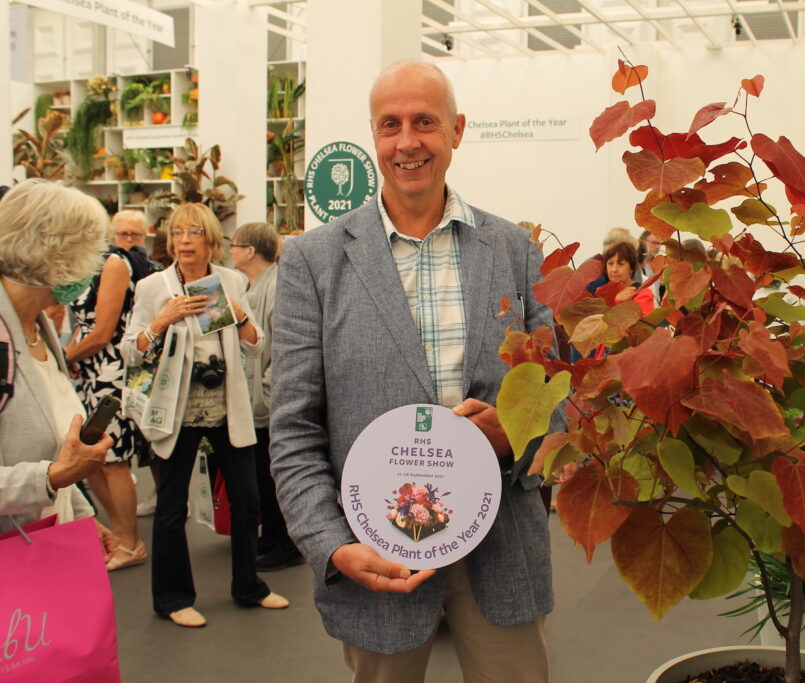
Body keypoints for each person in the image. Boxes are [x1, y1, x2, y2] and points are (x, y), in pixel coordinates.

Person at [270, 61, 564, 682]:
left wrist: (516, 430)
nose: (408, 141)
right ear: (374, 138)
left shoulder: (514, 249)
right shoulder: (313, 261)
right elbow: (294, 429)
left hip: (502, 548)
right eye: (391, 125)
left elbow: (560, 395)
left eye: (425, 122)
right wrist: (330, 543)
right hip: (376, 554)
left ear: (457, 130)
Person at [120, 203, 288, 628]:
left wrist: (238, 313)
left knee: (249, 502)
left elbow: (254, 345)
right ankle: (172, 598)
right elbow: (130, 349)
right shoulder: (154, 285)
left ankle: (248, 586)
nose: (185, 240)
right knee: (171, 507)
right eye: (177, 233)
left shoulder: (231, 280)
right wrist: (162, 320)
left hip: (227, 407)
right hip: (177, 410)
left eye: (194, 232)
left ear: (210, 238)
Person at [0, 179, 116, 553]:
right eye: (91, 251)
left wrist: (79, 517)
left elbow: (50, 454)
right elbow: (50, 470)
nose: (96, 266)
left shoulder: (38, 327)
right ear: (60, 255)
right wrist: (53, 477)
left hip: (41, 546)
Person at [65, 210, 153, 571]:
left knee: (112, 458)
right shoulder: (90, 263)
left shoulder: (115, 264)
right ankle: (118, 537)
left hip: (110, 371)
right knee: (90, 458)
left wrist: (64, 356)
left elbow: (103, 332)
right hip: (87, 368)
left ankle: (129, 541)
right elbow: (82, 323)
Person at [228, 221, 301, 571]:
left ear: (250, 250)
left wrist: (268, 390)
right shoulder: (250, 284)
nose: (230, 251)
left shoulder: (278, 286)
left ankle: (286, 543)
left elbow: (281, 347)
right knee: (260, 474)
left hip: (270, 401)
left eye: (234, 245)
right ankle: (271, 536)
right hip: (255, 401)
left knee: (275, 475)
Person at [604, 241, 655, 315]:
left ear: (631, 268)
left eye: (620, 264)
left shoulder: (642, 294)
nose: (614, 269)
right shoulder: (603, 290)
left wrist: (619, 303)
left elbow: (645, 325)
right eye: (610, 263)